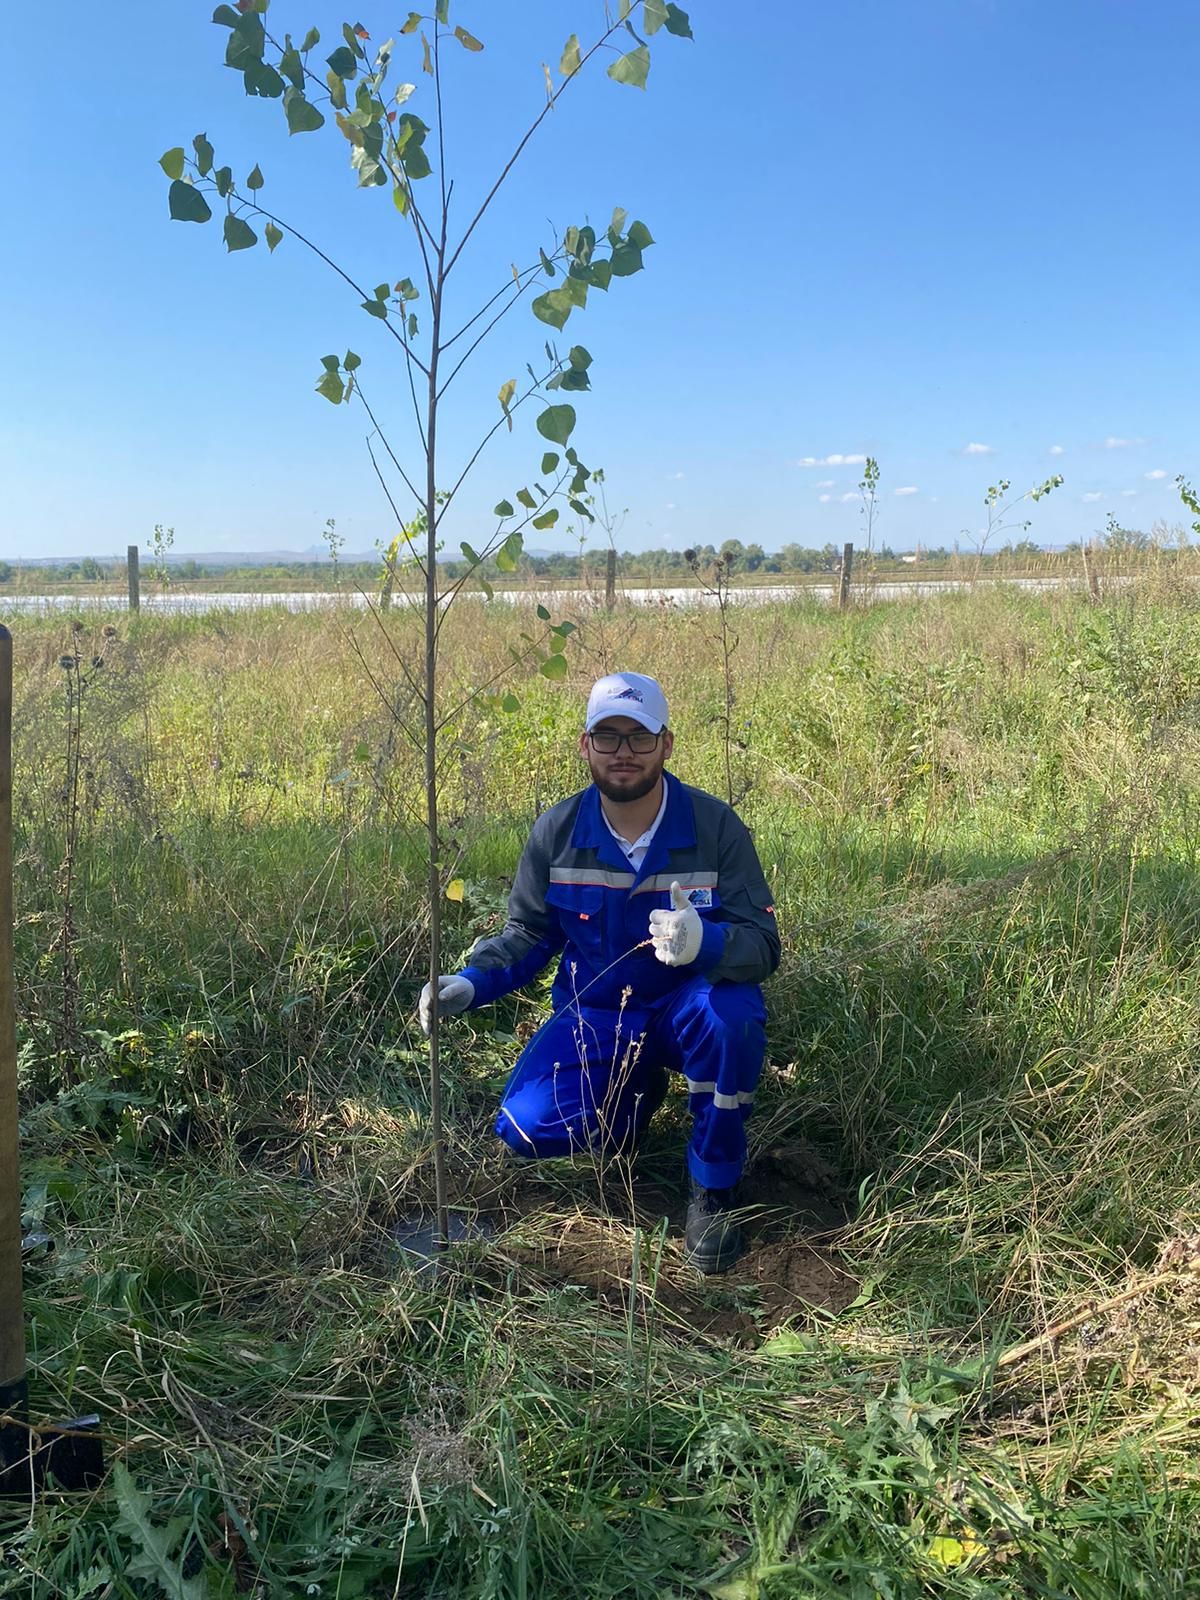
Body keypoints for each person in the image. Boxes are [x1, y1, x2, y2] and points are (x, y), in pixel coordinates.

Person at [419, 671, 780, 1272]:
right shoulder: (557, 833)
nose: (623, 754)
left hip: (688, 1007)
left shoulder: (715, 829)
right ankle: (633, 1096)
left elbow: (763, 945)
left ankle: (714, 1186)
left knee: (732, 1017)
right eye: (607, 737)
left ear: (666, 744)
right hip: (598, 1014)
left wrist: (706, 943)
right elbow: (529, 934)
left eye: (639, 738)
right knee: (524, 1134)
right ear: (585, 745)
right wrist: (471, 982)